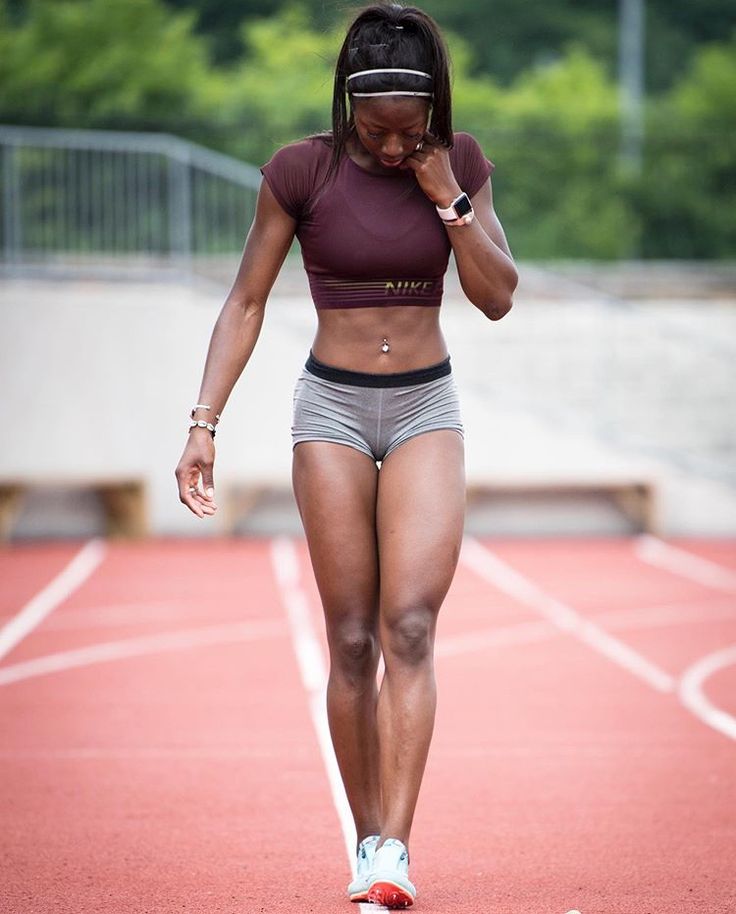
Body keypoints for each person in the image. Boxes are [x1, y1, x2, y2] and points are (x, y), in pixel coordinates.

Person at [175, 2, 517, 907]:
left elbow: (497, 296)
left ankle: (395, 851)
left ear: (434, 110)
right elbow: (246, 301)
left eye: (411, 131)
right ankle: (366, 836)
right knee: (355, 636)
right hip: (329, 407)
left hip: (424, 406)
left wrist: (446, 195)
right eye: (378, 131)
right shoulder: (302, 170)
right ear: (349, 107)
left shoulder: (461, 163)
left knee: (411, 624)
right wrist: (203, 420)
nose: (395, 146)